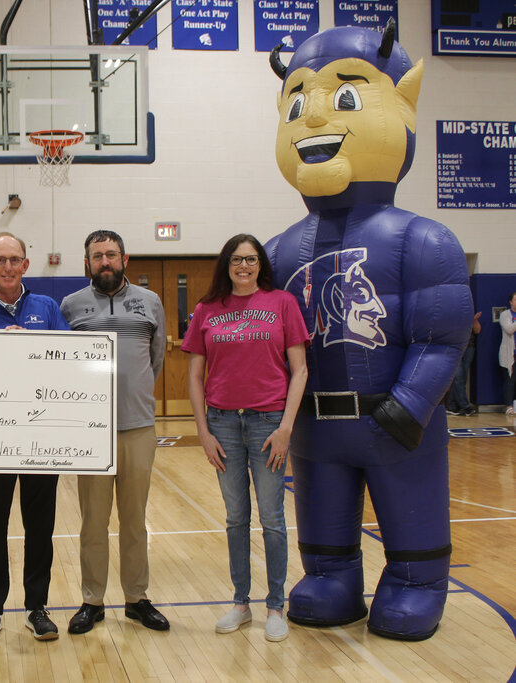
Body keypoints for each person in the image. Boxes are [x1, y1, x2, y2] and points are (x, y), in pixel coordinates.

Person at [266, 23, 473, 640]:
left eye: (346, 97)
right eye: (297, 103)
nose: (314, 120)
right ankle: (331, 575)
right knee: (323, 522)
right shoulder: (279, 250)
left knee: (410, 513)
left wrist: (410, 404)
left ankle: (415, 580)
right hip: (316, 424)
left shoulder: (423, 238)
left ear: (401, 103)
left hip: (394, 419)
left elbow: (441, 337)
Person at [182, 234, 308, 642]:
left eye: (251, 260)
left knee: (271, 518)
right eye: (237, 259)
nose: (244, 266)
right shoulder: (206, 309)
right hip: (222, 425)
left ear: (260, 265)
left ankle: (275, 606)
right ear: (226, 264)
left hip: (268, 423)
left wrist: (286, 426)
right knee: (236, 518)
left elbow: (300, 371)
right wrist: (202, 431)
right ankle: (241, 603)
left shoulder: (282, 304)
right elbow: (195, 376)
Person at [0, 232, 71, 644]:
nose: (7, 266)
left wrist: (34, 347)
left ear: (26, 264)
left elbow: (69, 365)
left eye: (15, 259)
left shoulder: (48, 309)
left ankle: (37, 607)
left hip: (41, 436)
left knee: (39, 526)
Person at [60, 229, 169, 634]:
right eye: (96, 256)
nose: (104, 262)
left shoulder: (151, 303)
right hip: (90, 432)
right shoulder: (70, 306)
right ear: (86, 262)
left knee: (134, 520)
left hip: (138, 428)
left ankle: (137, 598)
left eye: (111, 254)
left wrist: (132, 395)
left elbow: (155, 360)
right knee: (93, 521)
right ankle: (92, 600)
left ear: (126, 259)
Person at [447, 311, 481, 416]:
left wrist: (474, 320)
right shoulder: (448, 313)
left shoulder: (468, 312)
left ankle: (452, 406)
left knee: (461, 378)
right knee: (458, 376)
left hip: (468, 346)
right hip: (453, 347)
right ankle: (465, 406)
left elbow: (477, 330)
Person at [499, 293, 516, 414]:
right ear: (511, 302)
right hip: (510, 352)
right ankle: (509, 406)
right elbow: (509, 329)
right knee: (510, 380)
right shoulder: (505, 315)